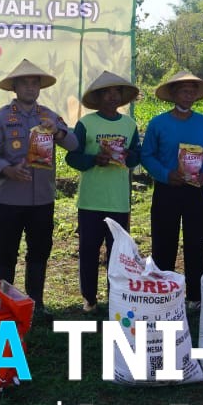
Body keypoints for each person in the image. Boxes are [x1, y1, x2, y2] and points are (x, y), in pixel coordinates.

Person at [0, 59, 78, 320]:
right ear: (14, 87)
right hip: (9, 198)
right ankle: (3, 306)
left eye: (34, 82)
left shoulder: (49, 117)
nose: (30, 86)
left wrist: (58, 133)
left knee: (39, 250)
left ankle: (35, 302)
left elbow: (74, 144)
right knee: (5, 252)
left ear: (39, 87)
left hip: (42, 198)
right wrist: (7, 169)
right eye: (24, 82)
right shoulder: (0, 118)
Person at [140, 71, 203, 309]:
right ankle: (164, 293)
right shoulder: (158, 123)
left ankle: (195, 295)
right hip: (167, 190)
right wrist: (165, 174)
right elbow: (147, 155)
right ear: (173, 94)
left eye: (192, 90)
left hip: (195, 190)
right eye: (183, 90)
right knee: (164, 241)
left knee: (196, 242)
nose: (188, 94)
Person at [65, 71, 141, 313]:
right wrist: (93, 160)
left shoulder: (129, 125)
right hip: (90, 200)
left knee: (118, 254)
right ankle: (89, 299)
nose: (111, 96)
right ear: (97, 97)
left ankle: (115, 297)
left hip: (118, 201)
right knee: (88, 250)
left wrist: (129, 157)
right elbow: (72, 157)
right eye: (106, 92)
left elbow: (136, 156)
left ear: (122, 97)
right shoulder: (86, 123)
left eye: (116, 92)